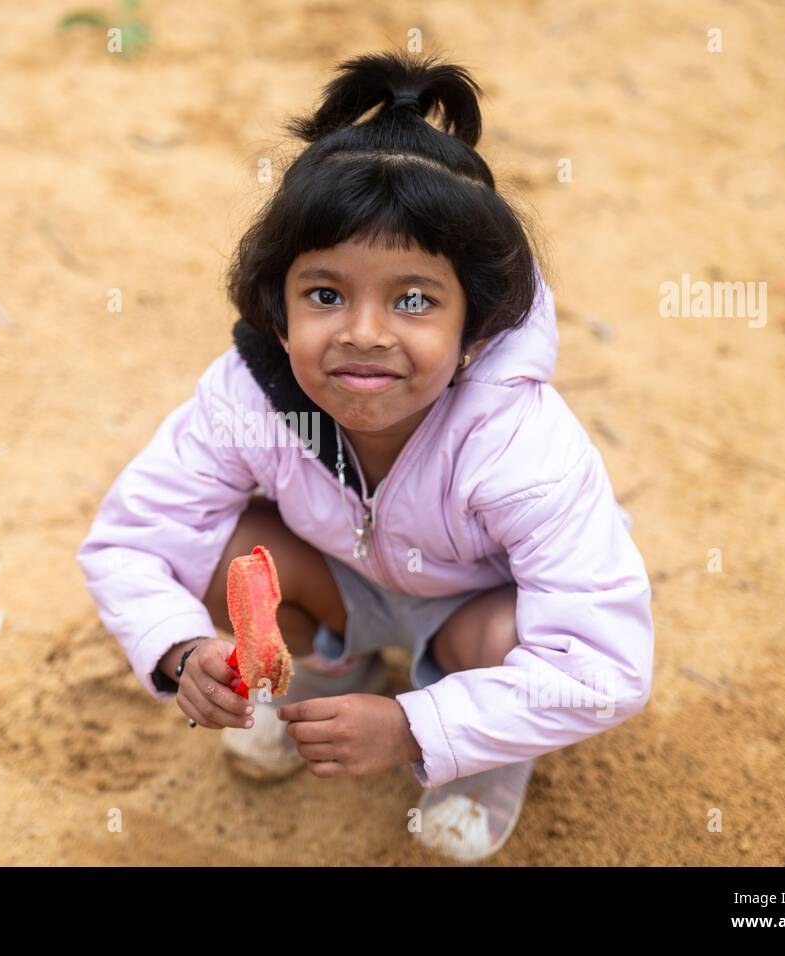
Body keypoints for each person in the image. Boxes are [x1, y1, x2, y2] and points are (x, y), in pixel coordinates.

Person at [76, 49, 654, 863]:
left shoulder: (520, 443)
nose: (365, 332)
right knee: (223, 551)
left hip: (467, 612)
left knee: (512, 641)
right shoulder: (250, 398)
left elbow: (605, 668)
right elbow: (131, 541)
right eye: (325, 294)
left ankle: (484, 753)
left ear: (476, 330)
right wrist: (180, 651)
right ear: (277, 313)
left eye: (414, 299)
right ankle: (317, 670)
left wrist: (418, 725)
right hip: (341, 584)